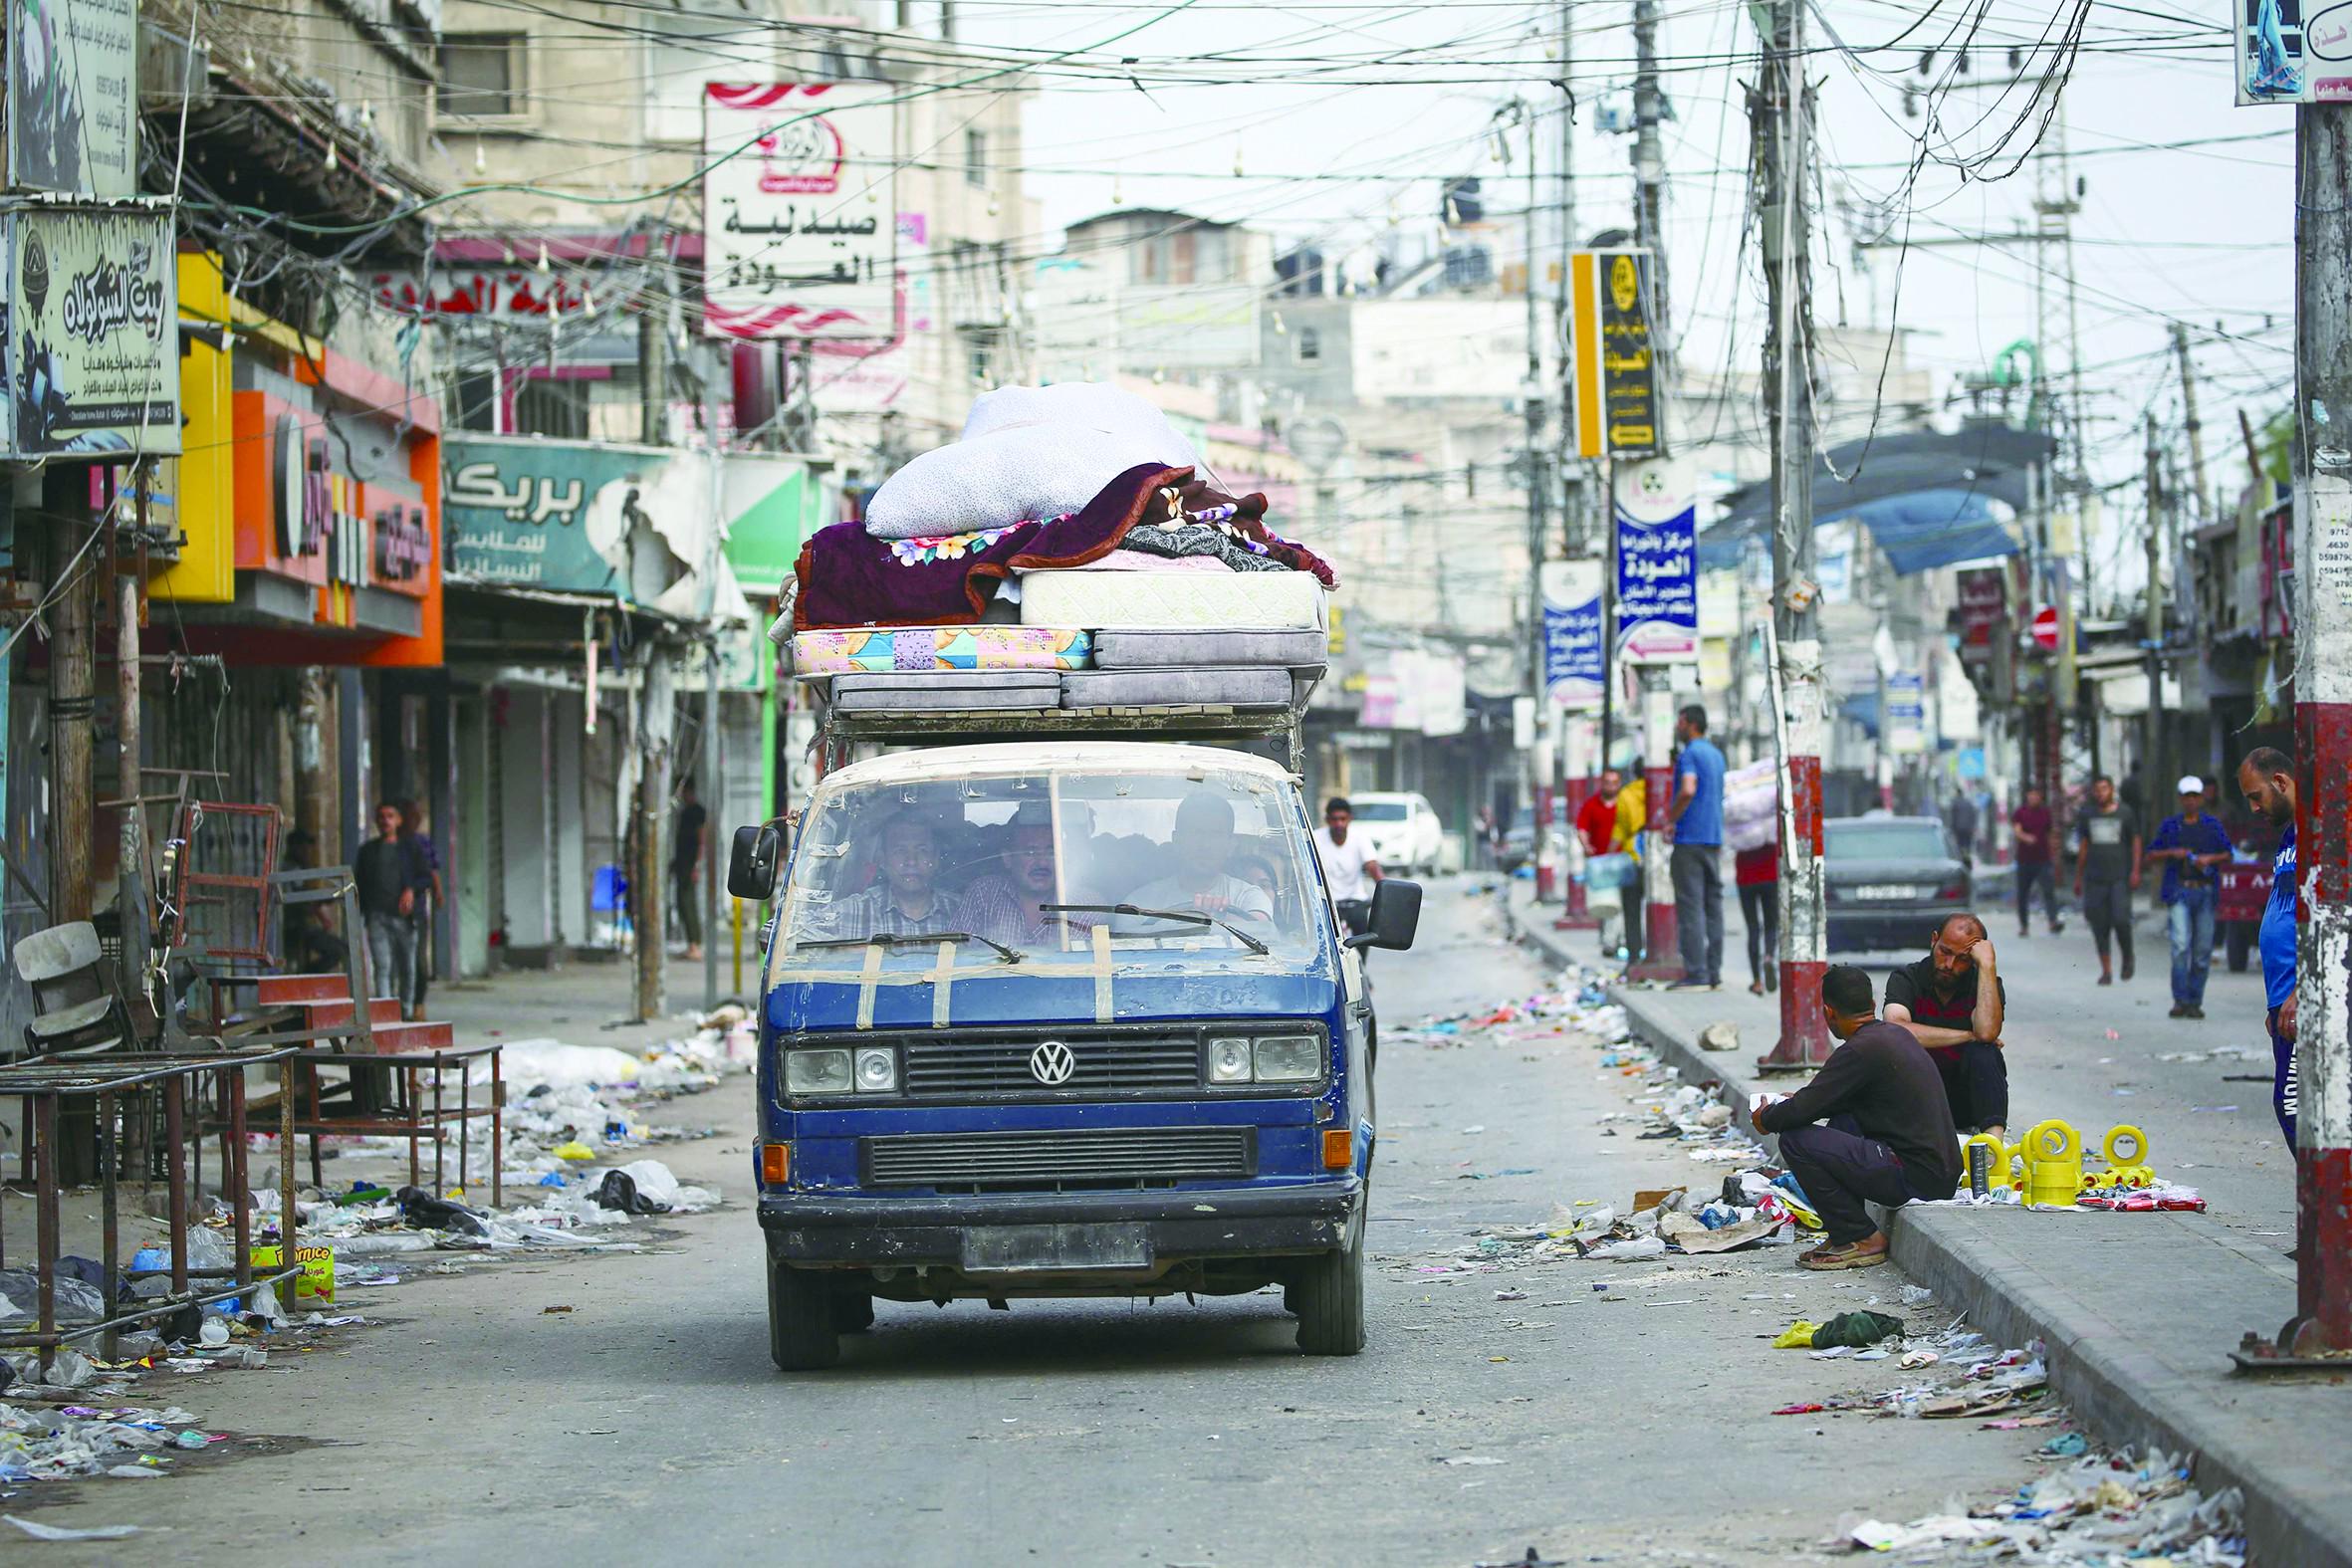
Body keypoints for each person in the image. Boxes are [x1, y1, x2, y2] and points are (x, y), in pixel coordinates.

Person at [1753, 964, 1962, 1271]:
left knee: (1796, 1140)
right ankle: (1845, 1232)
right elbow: (1823, 1099)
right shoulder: (1892, 1035)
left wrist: (1766, 1116)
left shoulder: (1860, 1050)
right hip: (1939, 1172)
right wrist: (1800, 1104)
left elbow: (1799, 1113)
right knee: (1841, 1120)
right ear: (1873, 1006)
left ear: (1828, 1011)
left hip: (1915, 1177)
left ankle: (1861, 1236)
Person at [1881, 912, 2008, 1145]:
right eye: (1945, 952)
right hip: (1915, 1097)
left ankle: (1993, 1147)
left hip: (1963, 1100)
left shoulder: (1984, 984)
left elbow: (1988, 1032)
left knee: (1986, 1052)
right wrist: (1968, 1036)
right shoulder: (1907, 978)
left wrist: (1988, 967)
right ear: (1934, 940)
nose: (1950, 965)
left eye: (1962, 959)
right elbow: (1896, 1029)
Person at [2237, 747, 2298, 1150]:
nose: (2255, 808)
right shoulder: (2289, 836)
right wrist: (2276, 1002)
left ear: (2280, 782)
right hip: (2284, 999)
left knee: (2293, 1106)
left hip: (2307, 996)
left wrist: (2303, 992)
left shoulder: (2326, 832)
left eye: (2256, 796)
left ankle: (2330, 1209)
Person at [1122, 792, 1276, 940]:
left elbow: (1261, 934)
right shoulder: (1138, 904)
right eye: (1195, 833)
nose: (1205, 845)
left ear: (1230, 845)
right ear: (1177, 841)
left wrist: (1220, 919)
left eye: (1215, 834)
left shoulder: (1249, 897)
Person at [2144, 776, 2234, 1020]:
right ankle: (2180, 999)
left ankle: (2195, 1000)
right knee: (2181, 945)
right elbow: (2151, 854)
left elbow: (2228, 853)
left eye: (2195, 796)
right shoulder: (2171, 826)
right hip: (2179, 890)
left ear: (2201, 798)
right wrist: (2172, 852)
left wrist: (2209, 860)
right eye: (2187, 797)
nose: (2191, 801)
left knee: (2203, 950)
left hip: (2205, 891)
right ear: (2181, 799)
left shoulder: (2212, 826)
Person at [1665, 705, 1726, 990]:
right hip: (1713, 837)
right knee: (1713, 907)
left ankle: (1696, 972)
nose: (1677, 727)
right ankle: (1713, 971)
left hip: (1689, 838)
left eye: (1679, 721)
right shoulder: (1716, 754)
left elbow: (1688, 788)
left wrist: (1670, 818)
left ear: (1689, 724)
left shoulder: (1689, 753)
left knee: (1690, 907)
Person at [354, 801, 429, 1015]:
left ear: (398, 821)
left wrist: (410, 890)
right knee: (383, 966)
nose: (385, 820)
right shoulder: (368, 851)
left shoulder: (410, 849)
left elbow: (425, 877)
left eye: (390, 816)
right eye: (381, 816)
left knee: (408, 967)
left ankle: (405, 1010)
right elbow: (359, 883)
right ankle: (386, 1012)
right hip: (377, 916)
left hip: (405, 918)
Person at [839, 812, 962, 939]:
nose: (911, 861)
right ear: (882, 860)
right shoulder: (850, 913)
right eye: (900, 851)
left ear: (936, 859)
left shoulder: (963, 911)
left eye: (922, 850)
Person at [963, 809, 1072, 948]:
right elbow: (956, 953)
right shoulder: (984, 894)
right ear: (1007, 858)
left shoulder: (1082, 903)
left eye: (1051, 853)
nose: (1042, 863)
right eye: (1030, 852)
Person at [2071, 775, 2142, 986]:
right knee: (2099, 925)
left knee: (2121, 920)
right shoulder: (2087, 815)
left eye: (2104, 788)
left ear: (2112, 790)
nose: (2101, 793)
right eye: (2097, 789)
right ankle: (2106, 970)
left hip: (2119, 877)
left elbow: (2136, 842)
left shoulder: (2125, 814)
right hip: (2095, 879)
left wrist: (2136, 870)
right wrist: (2078, 876)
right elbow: (2083, 846)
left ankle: (2127, 956)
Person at [395, 797, 444, 1016]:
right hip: (392, 909)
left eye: (418, 816)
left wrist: (438, 892)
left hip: (416, 910)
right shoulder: (393, 843)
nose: (415, 820)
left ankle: (417, 1003)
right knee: (396, 961)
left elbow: (431, 870)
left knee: (418, 960)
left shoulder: (421, 842)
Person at [279, 827, 349, 976]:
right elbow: (301, 899)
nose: (307, 851)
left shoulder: (298, 868)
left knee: (342, 948)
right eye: (302, 846)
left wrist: (323, 917)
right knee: (337, 951)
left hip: (303, 924)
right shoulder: (291, 870)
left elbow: (308, 901)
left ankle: (306, 976)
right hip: (295, 926)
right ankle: (306, 977)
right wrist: (331, 896)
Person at [1312, 795, 1382, 936]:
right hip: (1327, 905)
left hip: (1355, 902)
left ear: (1350, 818)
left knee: (1364, 938)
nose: (1339, 824)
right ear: (1327, 820)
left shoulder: (1360, 838)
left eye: (1343, 819)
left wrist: (1387, 894)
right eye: (1334, 819)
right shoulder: (1316, 838)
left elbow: (1373, 868)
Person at [2010, 786, 2063, 937]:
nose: (2034, 798)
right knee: (2023, 894)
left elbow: (2050, 833)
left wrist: (2054, 851)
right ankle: (2024, 925)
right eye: (2031, 795)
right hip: (2024, 859)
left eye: (2036, 795)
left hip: (2042, 858)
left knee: (2048, 891)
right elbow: (2017, 831)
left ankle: (2053, 921)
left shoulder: (2045, 813)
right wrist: (2027, 838)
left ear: (2040, 797)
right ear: (2027, 796)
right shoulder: (2021, 813)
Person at [1613, 763, 1648, 964]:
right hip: (1660, 860)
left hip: (1632, 859)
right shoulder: (1664, 789)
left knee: (1632, 910)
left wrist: (1608, 854)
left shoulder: (1626, 794)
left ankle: (1634, 955)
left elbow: (1620, 829)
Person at [672, 780, 710, 962]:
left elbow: (701, 839)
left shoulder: (696, 812)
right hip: (682, 862)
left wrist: (697, 865)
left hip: (689, 864)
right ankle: (691, 943)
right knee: (681, 901)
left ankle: (695, 944)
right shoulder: (685, 812)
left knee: (688, 903)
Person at [1736, 842, 1779, 996]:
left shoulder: (1742, 819)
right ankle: (1768, 956)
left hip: (1745, 875)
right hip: (1770, 873)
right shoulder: (1768, 819)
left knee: (1753, 928)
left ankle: (1757, 982)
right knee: (1771, 924)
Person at [1576, 770, 1621, 861]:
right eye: (1607, 782)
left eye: (1614, 782)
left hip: (1622, 859)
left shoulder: (1626, 804)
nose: (1611, 785)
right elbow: (1582, 828)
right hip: (1597, 860)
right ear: (1602, 782)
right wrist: (1586, 846)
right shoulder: (1591, 804)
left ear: (1619, 783)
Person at [1943, 788, 1980, 864]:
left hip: (1958, 829)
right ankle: (1967, 862)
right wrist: (1973, 827)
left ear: (1957, 794)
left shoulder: (1955, 804)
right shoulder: (1969, 803)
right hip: (1968, 829)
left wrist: (1951, 829)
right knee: (1967, 846)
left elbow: (1953, 817)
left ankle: (1962, 861)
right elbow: (1973, 816)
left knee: (1960, 846)